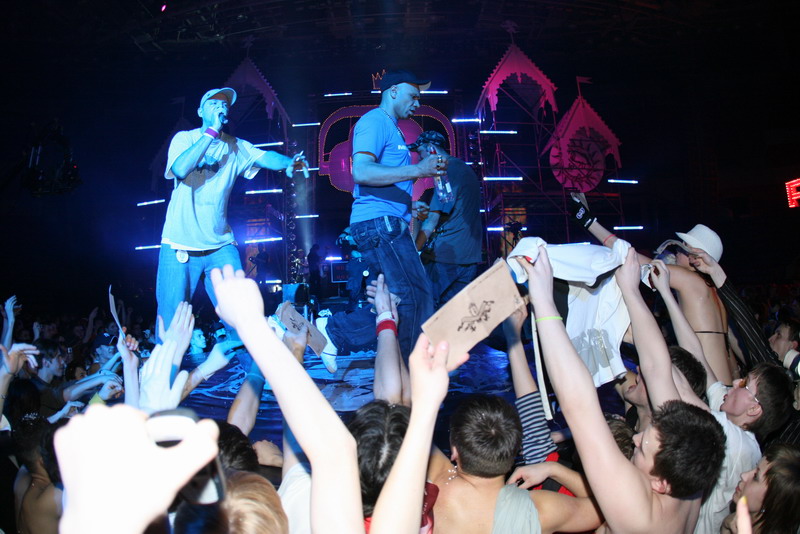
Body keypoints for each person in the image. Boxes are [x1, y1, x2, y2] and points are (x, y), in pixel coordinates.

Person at [518, 246, 727, 534]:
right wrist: (631, 291)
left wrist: (543, 302)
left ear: (660, 483)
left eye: (642, 448)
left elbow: (580, 408)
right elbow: (657, 367)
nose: (636, 438)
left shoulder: (639, 517)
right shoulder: (694, 456)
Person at [156, 87, 307, 341]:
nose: (221, 107)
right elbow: (180, 169)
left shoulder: (236, 147)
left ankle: (254, 365)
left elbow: (265, 157)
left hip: (219, 245)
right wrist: (211, 132)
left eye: (224, 104)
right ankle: (166, 368)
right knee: (171, 320)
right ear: (200, 111)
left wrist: (288, 163)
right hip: (179, 242)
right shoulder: (185, 139)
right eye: (214, 103)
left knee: (241, 316)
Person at [349, 70, 443, 361]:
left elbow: (382, 179)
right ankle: (411, 369)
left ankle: (335, 333)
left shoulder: (392, 128)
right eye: (412, 96)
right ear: (392, 91)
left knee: (393, 299)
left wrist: (408, 205)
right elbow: (361, 171)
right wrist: (418, 169)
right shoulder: (375, 121)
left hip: (386, 220)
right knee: (416, 297)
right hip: (380, 224)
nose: (417, 103)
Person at [410, 131, 482, 309]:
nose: (419, 159)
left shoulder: (446, 171)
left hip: (446, 257)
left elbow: (432, 221)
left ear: (431, 149)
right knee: (456, 313)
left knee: (426, 308)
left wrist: (413, 253)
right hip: (469, 255)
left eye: (420, 153)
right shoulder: (463, 168)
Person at [720, 443, 800, 534]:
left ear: (772, 502)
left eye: (755, 477)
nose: (743, 475)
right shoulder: (735, 520)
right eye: (755, 467)